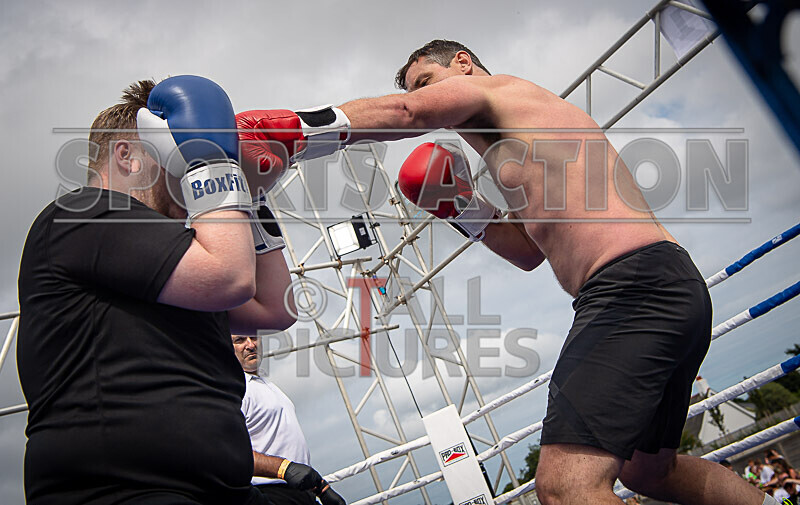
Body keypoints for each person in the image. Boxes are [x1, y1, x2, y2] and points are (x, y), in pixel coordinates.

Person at [235, 39, 771, 505]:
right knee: (650, 470)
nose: (425, 96)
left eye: (429, 81)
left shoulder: (503, 92)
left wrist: (293, 129)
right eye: (419, 86)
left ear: (464, 65)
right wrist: (463, 207)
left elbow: (405, 112)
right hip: (655, 284)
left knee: (565, 486)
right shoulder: (517, 150)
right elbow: (528, 252)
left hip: (633, 287)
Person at [17, 75, 296, 505]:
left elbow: (275, 308)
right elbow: (231, 277)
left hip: (217, 488)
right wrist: (213, 164)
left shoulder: (173, 259)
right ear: (127, 156)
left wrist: (251, 198)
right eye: (174, 152)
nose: (183, 167)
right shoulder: (79, 214)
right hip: (122, 491)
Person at [231, 334, 346, 505]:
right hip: (269, 494)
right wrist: (285, 469)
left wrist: (321, 488)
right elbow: (231, 453)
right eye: (239, 340)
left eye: (254, 338)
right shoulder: (236, 390)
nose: (250, 345)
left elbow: (287, 447)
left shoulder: (266, 385)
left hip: (301, 492)